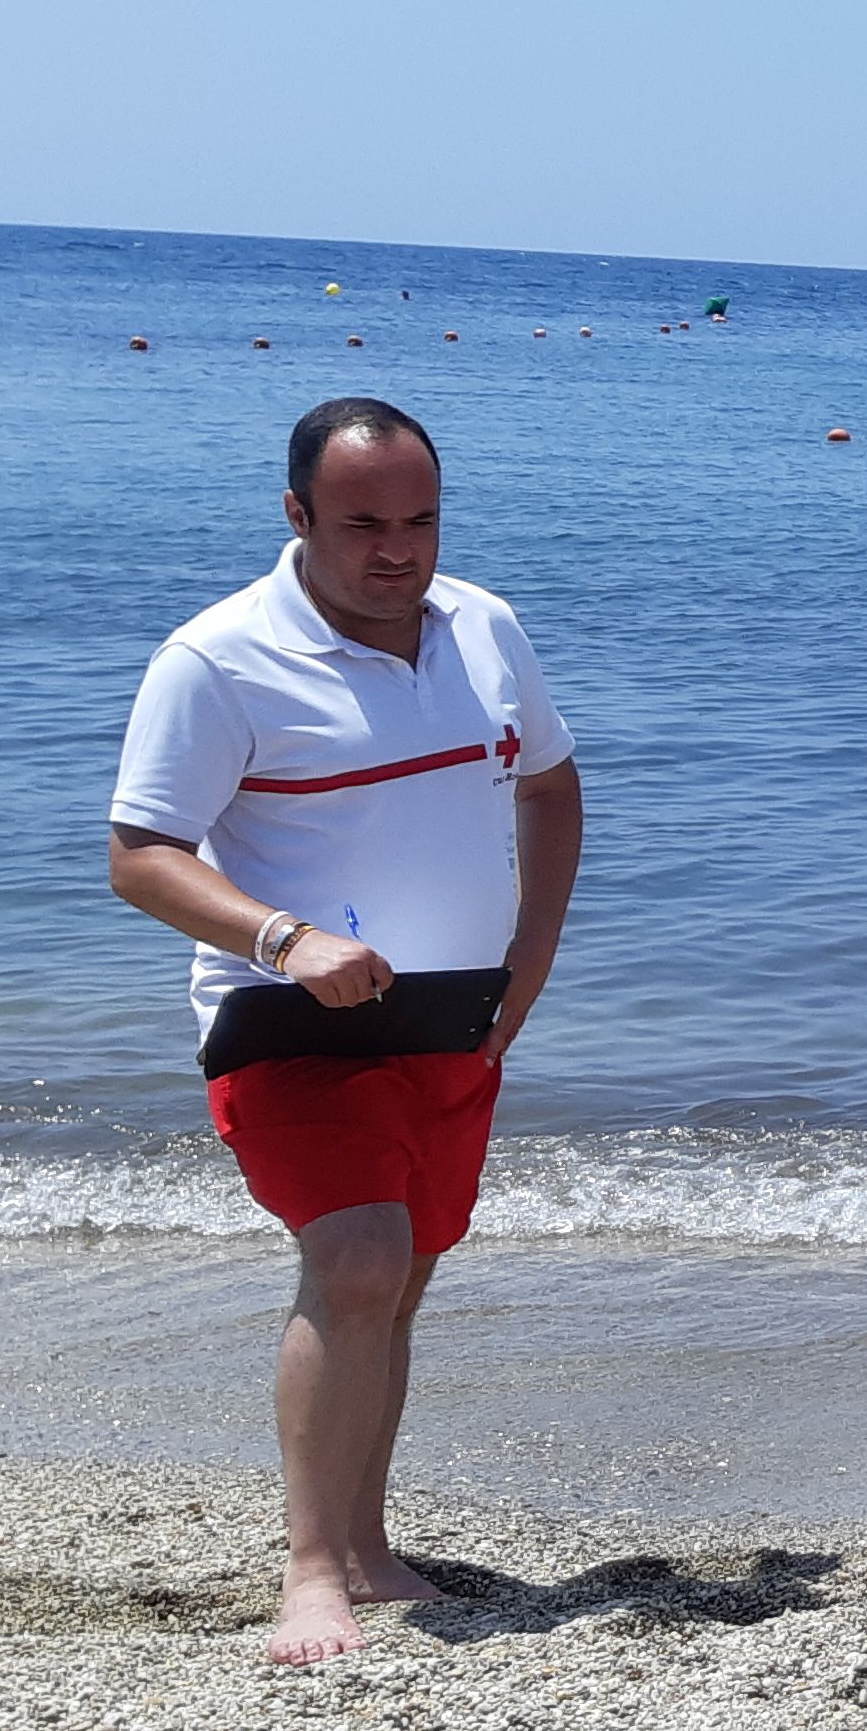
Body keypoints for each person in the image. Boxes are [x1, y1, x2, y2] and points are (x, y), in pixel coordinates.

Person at [104, 397, 583, 1665]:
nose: (399, 549)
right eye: (364, 523)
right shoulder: (217, 660)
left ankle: (368, 1547)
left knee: (403, 1270)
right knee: (360, 1258)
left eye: (422, 519)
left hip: (451, 1012)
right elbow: (141, 854)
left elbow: (548, 787)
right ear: (297, 513)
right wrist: (285, 939)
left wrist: (529, 963)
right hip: (287, 1016)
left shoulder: (484, 627)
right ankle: (311, 1572)